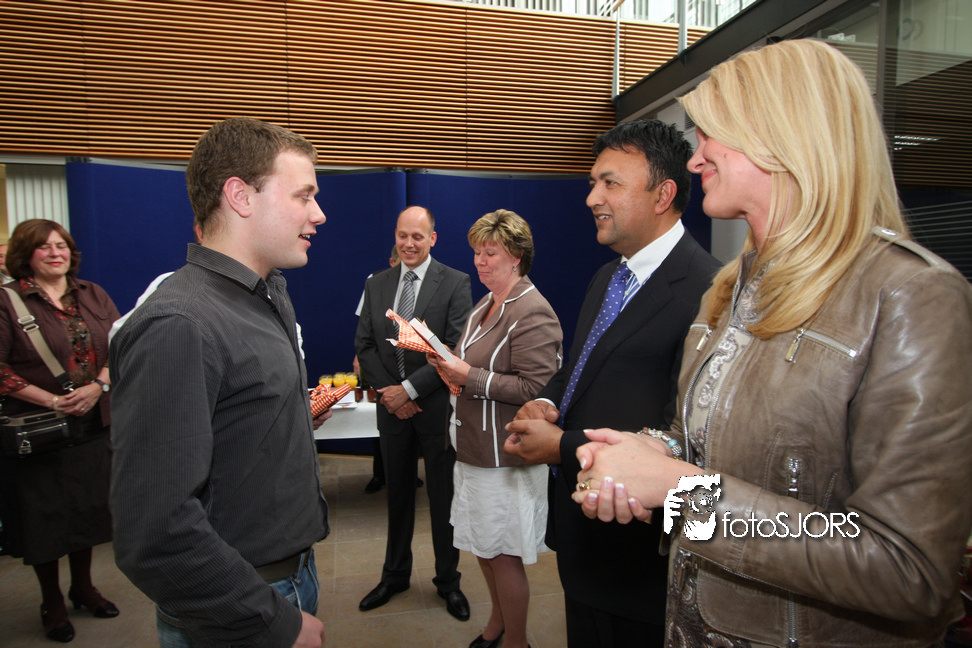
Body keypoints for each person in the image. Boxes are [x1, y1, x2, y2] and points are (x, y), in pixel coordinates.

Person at [572, 39, 972, 648]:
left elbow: (907, 570)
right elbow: (705, 440)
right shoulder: (730, 287)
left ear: (783, 136)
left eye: (713, 134)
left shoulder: (911, 296)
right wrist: (648, 451)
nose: (697, 158)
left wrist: (682, 492)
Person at [109, 116, 331, 648]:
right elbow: (155, 532)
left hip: (288, 577)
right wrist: (271, 620)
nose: (318, 214)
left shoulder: (267, 295)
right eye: (303, 196)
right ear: (240, 196)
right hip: (240, 605)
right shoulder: (179, 324)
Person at [504, 120, 719, 647]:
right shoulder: (609, 277)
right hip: (585, 542)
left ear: (663, 195)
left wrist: (561, 447)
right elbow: (579, 369)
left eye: (610, 183)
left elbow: (693, 439)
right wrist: (546, 401)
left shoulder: (710, 291)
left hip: (641, 558)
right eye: (592, 183)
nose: (592, 198)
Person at [428, 209, 562, 648]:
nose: (480, 262)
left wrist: (468, 375)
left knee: (503, 557)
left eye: (491, 253)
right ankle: (497, 624)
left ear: (517, 257)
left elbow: (537, 389)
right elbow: (470, 368)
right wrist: (445, 363)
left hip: (505, 456)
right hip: (472, 451)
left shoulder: (533, 310)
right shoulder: (484, 305)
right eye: (476, 253)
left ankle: (516, 641)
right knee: (484, 550)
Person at [0, 218, 121, 643]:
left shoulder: (92, 293)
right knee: (44, 520)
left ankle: (83, 588)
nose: (56, 253)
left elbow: (121, 344)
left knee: (87, 511)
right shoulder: (8, 301)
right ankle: (51, 601)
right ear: (25, 255)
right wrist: (52, 401)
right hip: (40, 430)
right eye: (44, 247)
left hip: (93, 419)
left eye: (62, 245)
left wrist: (98, 386)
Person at [354, 205, 473, 620]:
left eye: (417, 237)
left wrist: (408, 390)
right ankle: (394, 576)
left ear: (432, 239)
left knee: (442, 499)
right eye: (403, 235)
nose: (409, 244)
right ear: (395, 235)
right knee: (398, 496)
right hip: (393, 410)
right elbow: (365, 345)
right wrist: (392, 395)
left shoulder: (455, 282)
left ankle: (448, 582)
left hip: (436, 408)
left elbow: (453, 348)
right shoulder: (376, 283)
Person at [354, 245, 424, 494]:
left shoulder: (428, 282)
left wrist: (409, 390)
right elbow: (365, 329)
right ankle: (381, 473)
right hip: (383, 370)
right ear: (391, 262)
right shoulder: (375, 282)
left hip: (418, 373)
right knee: (384, 425)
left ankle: (410, 473)